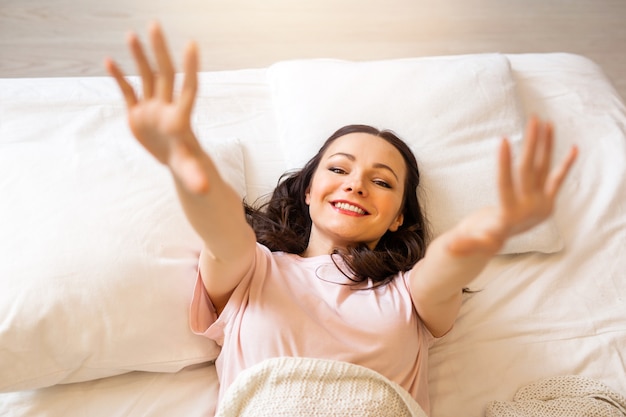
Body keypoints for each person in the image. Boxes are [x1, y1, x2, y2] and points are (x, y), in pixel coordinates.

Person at [105, 22, 578, 415]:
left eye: (383, 181)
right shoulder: (254, 270)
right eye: (338, 169)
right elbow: (223, 228)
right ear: (309, 189)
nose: (355, 184)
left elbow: (451, 259)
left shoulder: (408, 294)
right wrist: (186, 160)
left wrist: (496, 226)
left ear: (398, 218)